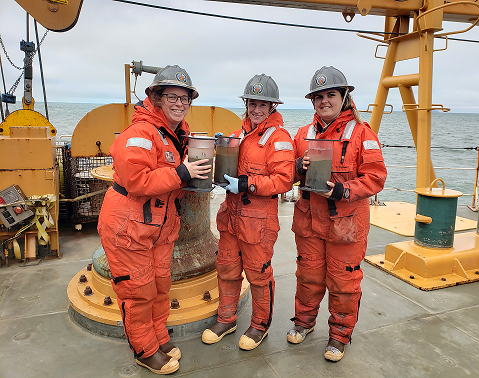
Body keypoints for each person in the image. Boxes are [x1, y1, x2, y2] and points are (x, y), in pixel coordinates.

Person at [97, 65, 211, 375]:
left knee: (160, 284)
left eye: (184, 98)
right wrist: (182, 173)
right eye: (172, 97)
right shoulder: (141, 134)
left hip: (157, 225)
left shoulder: (175, 134)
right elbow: (136, 180)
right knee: (138, 290)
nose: (179, 103)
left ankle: (158, 337)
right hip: (128, 224)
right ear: (156, 98)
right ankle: (144, 350)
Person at [287, 66, 387, 362]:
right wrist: (297, 167)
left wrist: (342, 191)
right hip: (308, 223)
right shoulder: (303, 134)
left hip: (346, 226)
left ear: (344, 97)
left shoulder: (361, 133)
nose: (324, 101)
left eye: (331, 94)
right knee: (308, 277)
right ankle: (303, 323)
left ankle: (339, 335)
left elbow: (376, 176)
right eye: (318, 97)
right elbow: (286, 172)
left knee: (344, 283)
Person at [201, 74, 295, 350]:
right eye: (252, 103)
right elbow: (224, 165)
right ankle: (226, 319)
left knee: (258, 275)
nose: (256, 110)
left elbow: (284, 180)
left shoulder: (279, 139)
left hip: (258, 223)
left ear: (272, 108)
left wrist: (246, 183)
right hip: (231, 218)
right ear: (246, 104)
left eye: (262, 105)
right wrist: (220, 147)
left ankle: (259, 325)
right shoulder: (240, 134)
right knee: (227, 269)